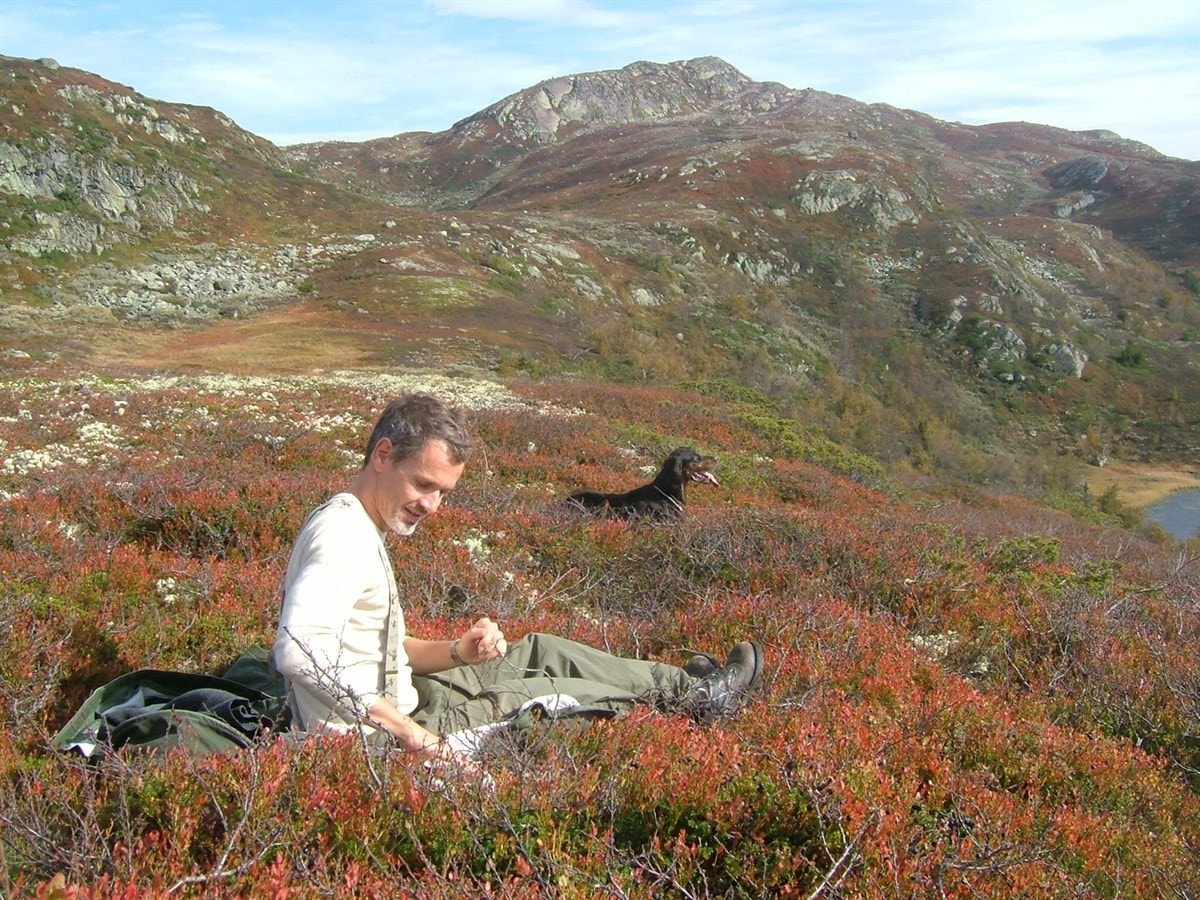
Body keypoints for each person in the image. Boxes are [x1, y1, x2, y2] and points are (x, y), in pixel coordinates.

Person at [271, 393, 763, 771]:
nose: (431, 506)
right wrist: (407, 731)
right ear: (383, 455)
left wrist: (458, 652)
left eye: (443, 492)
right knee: (545, 689)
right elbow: (296, 651)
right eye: (424, 485)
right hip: (373, 741)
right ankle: (694, 700)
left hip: (401, 700)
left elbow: (380, 647)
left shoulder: (360, 523)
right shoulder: (341, 537)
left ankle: (686, 683)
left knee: (538, 650)